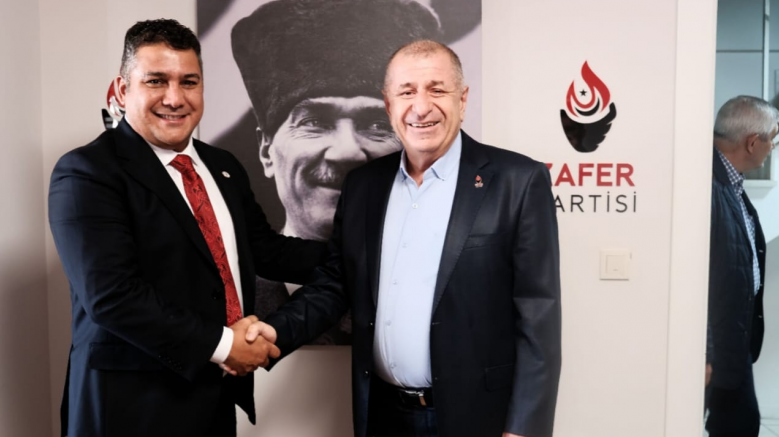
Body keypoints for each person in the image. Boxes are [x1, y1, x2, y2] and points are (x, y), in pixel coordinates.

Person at [245, 40, 562, 437]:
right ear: (389, 104)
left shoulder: (518, 181)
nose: (421, 107)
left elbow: (538, 318)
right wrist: (274, 332)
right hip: (383, 414)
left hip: (477, 417)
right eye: (407, 92)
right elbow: (335, 284)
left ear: (463, 99)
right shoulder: (364, 186)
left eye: (437, 90)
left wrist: (525, 429)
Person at [48, 19, 325, 437]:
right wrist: (226, 345)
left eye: (188, 82)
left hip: (213, 398)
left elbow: (265, 250)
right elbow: (112, 297)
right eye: (156, 81)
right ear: (122, 90)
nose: (175, 98)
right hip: (127, 410)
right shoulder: (87, 172)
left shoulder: (222, 166)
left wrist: (365, 249)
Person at [230, 0, 442, 344]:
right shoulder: (221, 299)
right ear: (266, 150)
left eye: (376, 124)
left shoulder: (442, 278)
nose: (347, 151)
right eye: (315, 121)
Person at [704, 95, 779, 437]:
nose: (773, 147)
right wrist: (704, 353)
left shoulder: (730, 184)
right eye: (771, 138)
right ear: (752, 142)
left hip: (732, 342)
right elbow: (697, 280)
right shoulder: (705, 186)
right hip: (714, 348)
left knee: (740, 424)